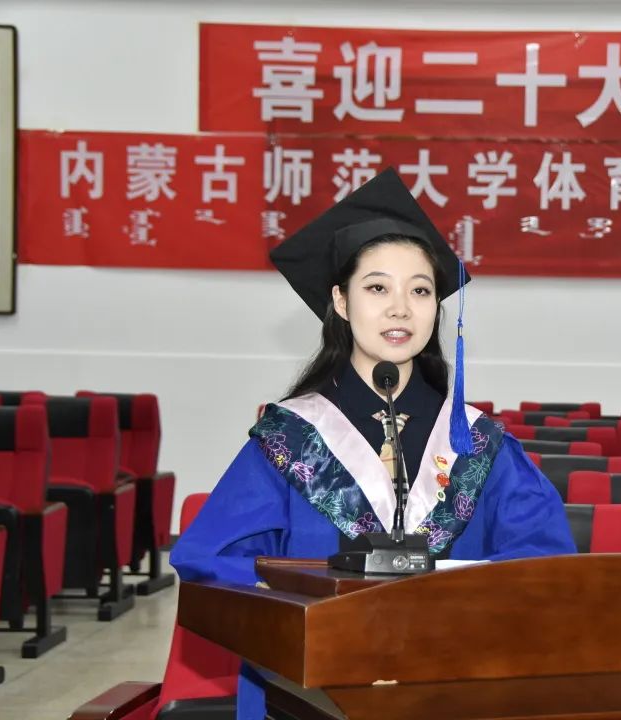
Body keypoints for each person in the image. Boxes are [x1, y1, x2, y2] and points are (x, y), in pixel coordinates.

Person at [170, 168, 575, 719]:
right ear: (341, 300)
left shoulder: (479, 445)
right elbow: (209, 560)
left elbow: (545, 563)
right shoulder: (291, 440)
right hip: (308, 695)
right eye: (378, 288)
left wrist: (454, 604)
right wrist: (323, 604)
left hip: (454, 692)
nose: (400, 308)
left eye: (420, 290)